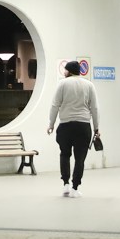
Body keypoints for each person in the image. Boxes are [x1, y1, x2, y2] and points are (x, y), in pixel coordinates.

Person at [47, 60, 100, 198]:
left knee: (65, 154)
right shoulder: (89, 85)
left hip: (65, 125)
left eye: (65, 70)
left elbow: (55, 105)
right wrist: (96, 128)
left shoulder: (62, 84)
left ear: (69, 71)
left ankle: (65, 184)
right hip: (83, 126)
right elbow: (94, 108)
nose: (64, 72)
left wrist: (51, 124)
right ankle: (75, 188)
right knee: (80, 159)